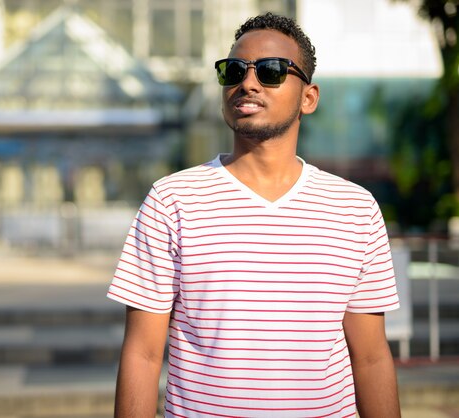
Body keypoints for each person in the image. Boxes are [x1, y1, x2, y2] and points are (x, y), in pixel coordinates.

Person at [107, 12, 401, 418]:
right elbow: (142, 353)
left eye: (272, 71)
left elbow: (370, 356)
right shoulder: (171, 200)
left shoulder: (355, 208)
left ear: (309, 98)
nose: (248, 82)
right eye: (233, 71)